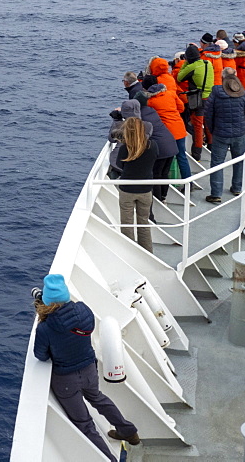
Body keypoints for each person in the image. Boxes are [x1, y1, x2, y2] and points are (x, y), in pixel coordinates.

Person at [33, 274, 141, 458]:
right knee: (98, 398)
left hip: (66, 380)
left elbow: (40, 355)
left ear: (46, 301)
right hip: (90, 370)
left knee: (84, 423)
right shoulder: (84, 311)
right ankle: (128, 431)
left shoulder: (45, 329)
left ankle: (109, 459)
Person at [203, 68, 245, 203]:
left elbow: (208, 114)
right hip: (239, 133)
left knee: (217, 163)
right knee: (239, 160)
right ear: (235, 76)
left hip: (220, 133)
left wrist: (212, 129)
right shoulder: (243, 93)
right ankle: (237, 188)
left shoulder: (215, 92)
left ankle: (216, 194)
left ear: (222, 78)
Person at [114, 117, 158, 251]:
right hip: (145, 190)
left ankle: (130, 253)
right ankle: (147, 252)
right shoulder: (152, 145)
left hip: (127, 190)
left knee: (127, 224)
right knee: (143, 223)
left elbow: (118, 164)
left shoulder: (124, 148)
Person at [146, 83, 192, 180]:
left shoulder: (151, 102)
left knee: (165, 158)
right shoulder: (171, 94)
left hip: (167, 133)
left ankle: (164, 182)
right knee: (182, 157)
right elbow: (181, 108)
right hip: (179, 129)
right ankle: (188, 182)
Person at [177, 44, 214, 160]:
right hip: (210, 97)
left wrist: (185, 63)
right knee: (208, 123)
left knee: (198, 126)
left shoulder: (191, 67)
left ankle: (196, 153)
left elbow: (179, 78)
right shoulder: (208, 63)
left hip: (198, 100)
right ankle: (212, 146)